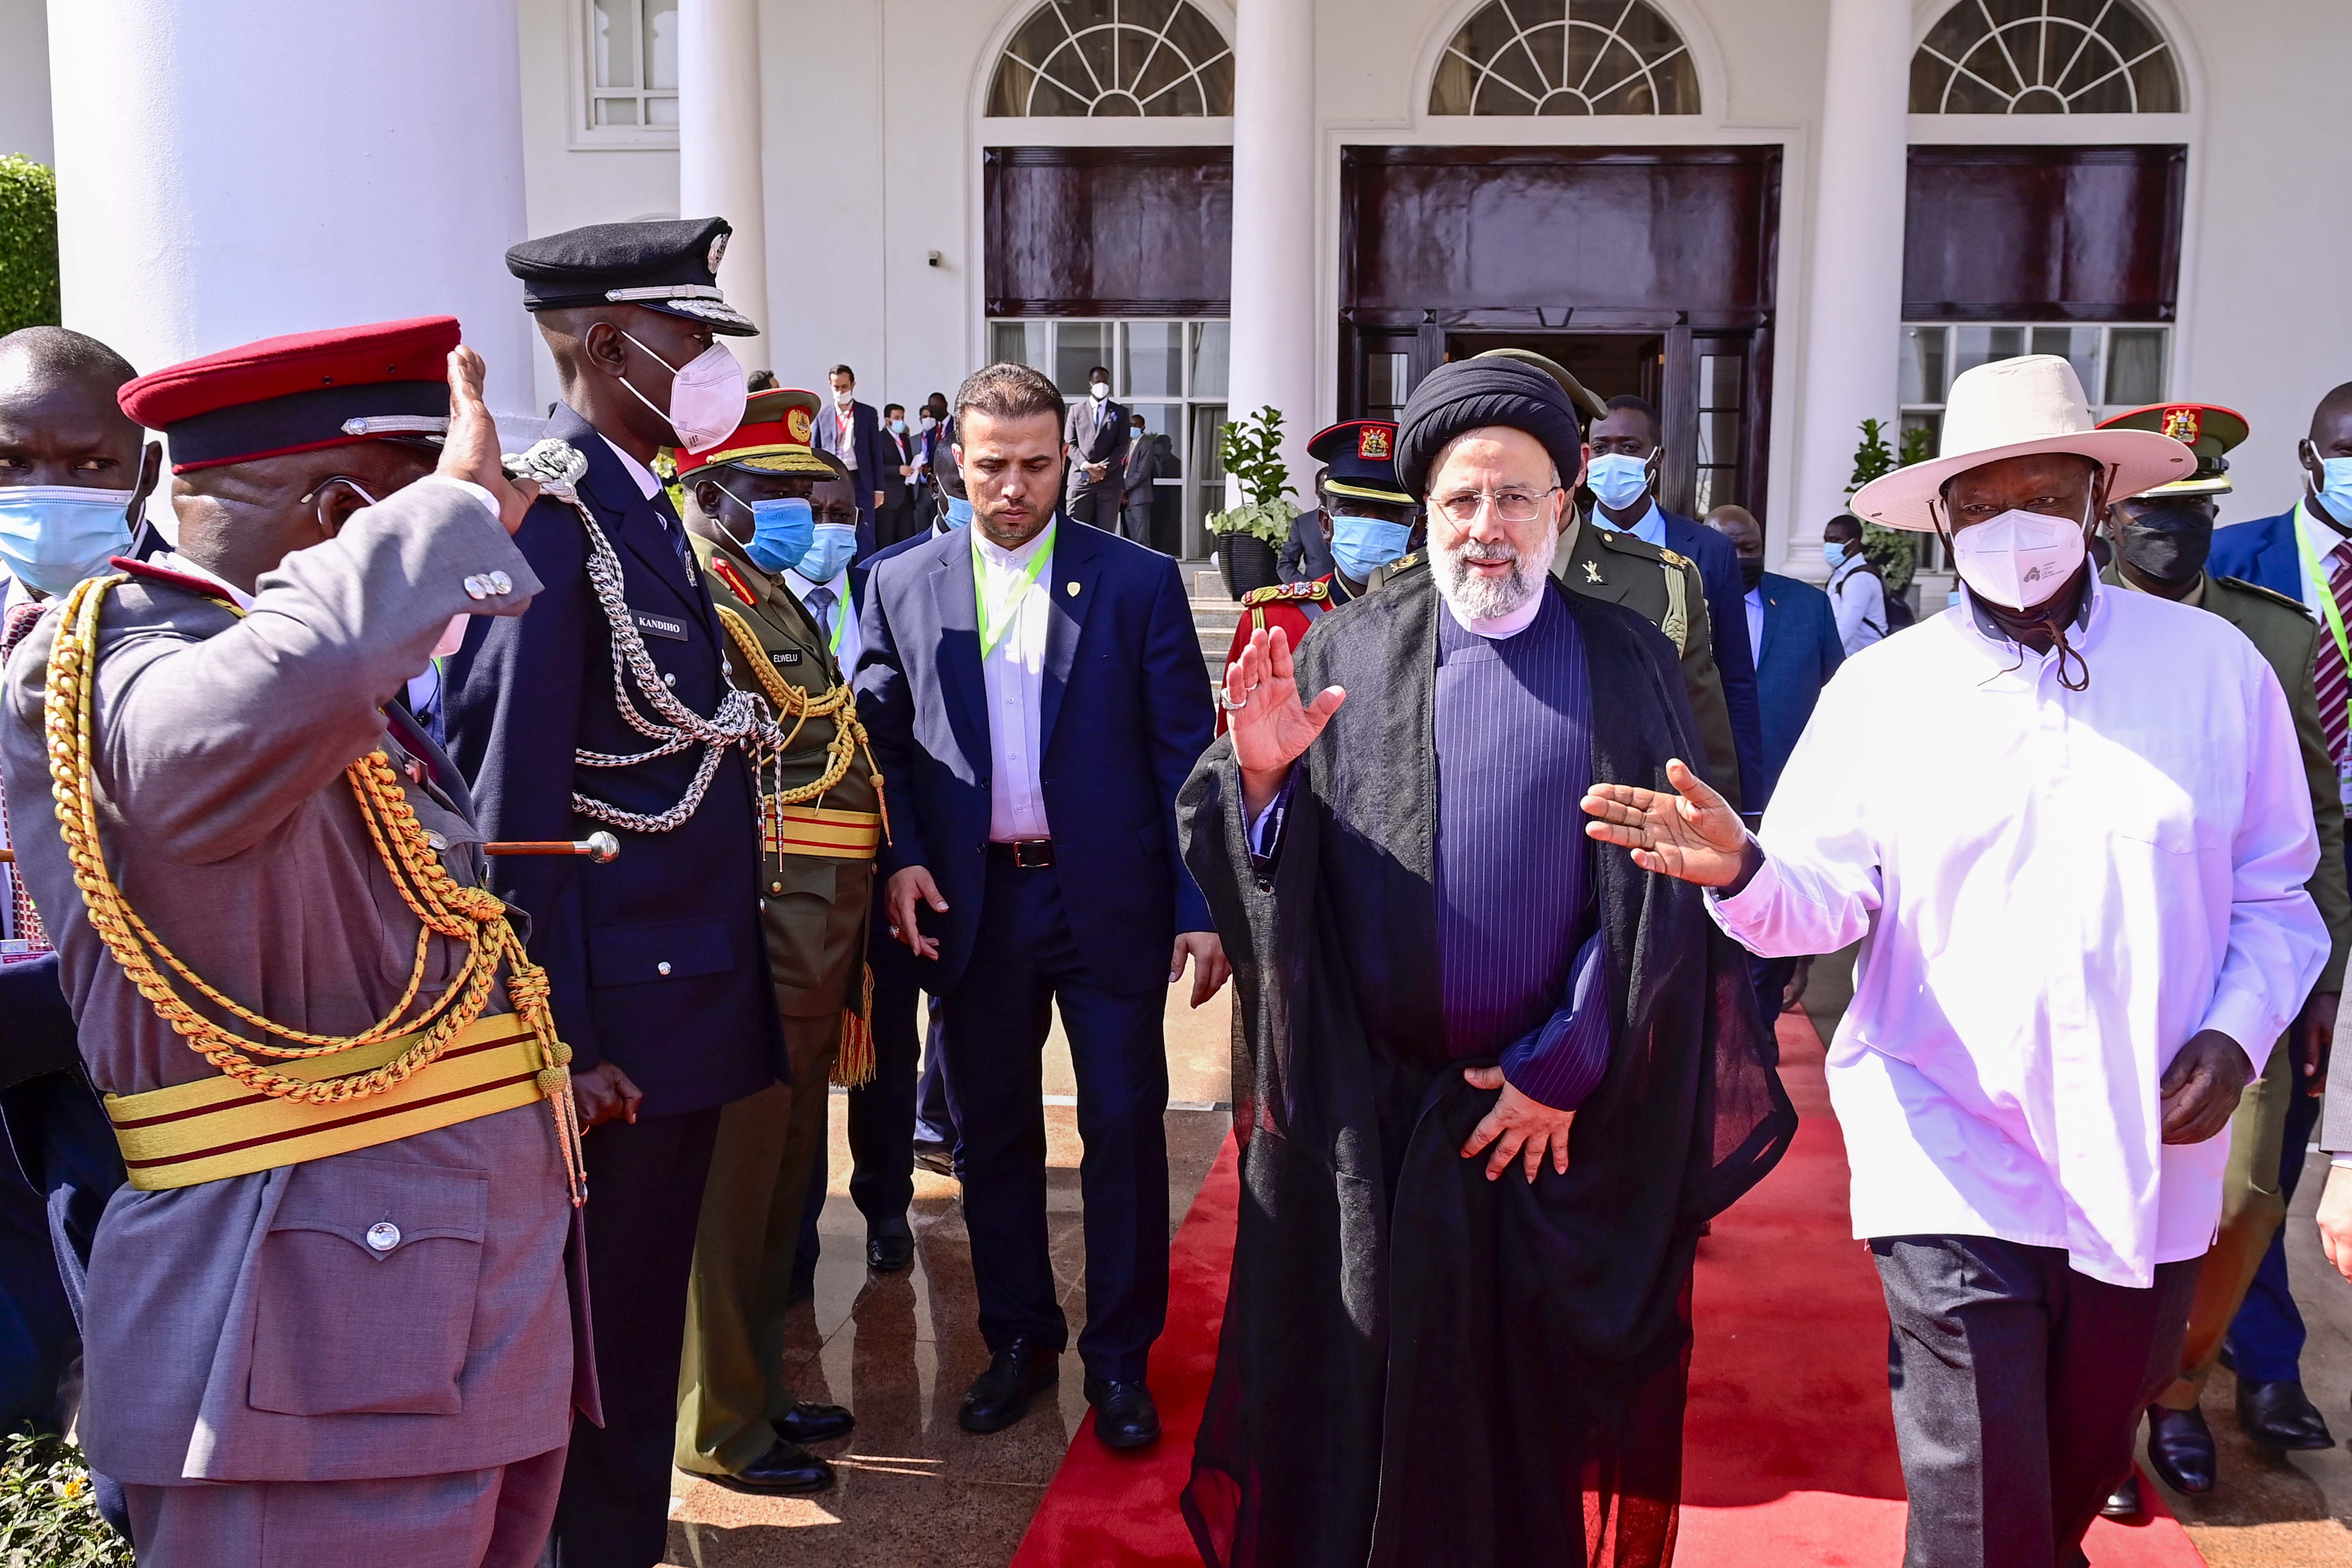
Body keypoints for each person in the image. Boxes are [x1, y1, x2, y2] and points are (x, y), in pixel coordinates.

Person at [1591, 354, 2311, 1568]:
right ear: (1940, 518)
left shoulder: (2216, 673)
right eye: (1980, 504)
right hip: (1950, 1146)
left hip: (2146, 1152)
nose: (2013, 528)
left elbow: (2277, 896)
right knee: (1977, 1499)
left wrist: (2236, 1035)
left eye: (2043, 497)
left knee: (2071, 1471)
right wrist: (1743, 869)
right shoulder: (1887, 691)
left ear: (2099, 500)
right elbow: (1818, 895)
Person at [1186, 355, 1793, 1567]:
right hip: (1377, 1123)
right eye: (1462, 499)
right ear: (1427, 511)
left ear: (1563, 506)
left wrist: (1562, 1065)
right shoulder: (1347, 650)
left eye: (1515, 497)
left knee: (1521, 1433)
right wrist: (1257, 783)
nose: (1487, 527)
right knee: (1366, 1417)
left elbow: (1655, 894)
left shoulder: (1628, 659)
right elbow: (1265, 873)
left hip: (1551, 1125)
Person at [2, 317, 580, 1568]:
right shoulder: (106, 655)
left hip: (440, 1316)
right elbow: (196, 758)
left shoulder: (281, 668)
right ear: (342, 515)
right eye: (428, 509)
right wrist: (431, 527)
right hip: (309, 1347)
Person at [445, 218, 784, 1568]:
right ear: (607, 345)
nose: (709, 363)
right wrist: (563, 1043)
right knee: (604, 1346)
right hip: (617, 1033)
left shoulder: (640, 507)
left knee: (638, 1331)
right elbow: (512, 813)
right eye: (688, 337)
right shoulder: (552, 519)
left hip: (677, 1000)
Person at [857, 362, 1224, 1450]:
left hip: (1106, 896)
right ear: (953, 463)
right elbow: (880, 746)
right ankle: (1018, 1339)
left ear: (1069, 460)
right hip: (972, 903)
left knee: (1122, 1124)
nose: (1012, 487)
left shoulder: (1136, 582)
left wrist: (1199, 901)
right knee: (993, 1133)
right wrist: (900, 859)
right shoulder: (895, 583)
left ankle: (1119, 1360)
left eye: (1033, 464)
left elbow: (1184, 754)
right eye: (990, 466)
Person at [2084, 400, 2351, 1516]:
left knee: (2245, 1197)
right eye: (2152, 510)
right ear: (2111, 516)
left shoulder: (2271, 636)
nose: (2173, 531)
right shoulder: (2061, 626)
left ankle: (2181, 1386)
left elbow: (2313, 821)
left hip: (2241, 974)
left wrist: (2323, 982)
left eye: (2194, 509)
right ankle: (2100, 1416)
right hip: (2102, 968)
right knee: (2099, 1202)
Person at [669, 389, 878, 1495]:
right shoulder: (703, 599)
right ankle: (716, 1419)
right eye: (777, 492)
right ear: (711, 494)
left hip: (818, 926)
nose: (802, 512)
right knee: (734, 1187)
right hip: (765, 918)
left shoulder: (769, 596)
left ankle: (756, 1389)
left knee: (784, 1180)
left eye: (811, 492)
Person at [0, 326, 157, 1477]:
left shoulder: (198, 621)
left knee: (126, 1312)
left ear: (143, 465)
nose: (48, 489)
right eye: (14, 462)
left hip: (133, 1035)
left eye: (89, 463)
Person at [2207, 379, 2352, 1447]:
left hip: (2335, 866)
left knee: (2310, 1117)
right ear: (2309, 458)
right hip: (2271, 873)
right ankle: (2262, 1362)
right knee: (2268, 1123)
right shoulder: (2231, 564)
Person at [1585, 392, 1763, 802]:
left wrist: (1747, 800)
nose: (1614, 459)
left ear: (1657, 457)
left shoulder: (1709, 550)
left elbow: (1735, 679)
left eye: (1630, 447)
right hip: (1589, 769)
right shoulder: (1559, 546)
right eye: (1601, 448)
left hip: (1683, 769)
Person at [1705, 501, 1840, 1020]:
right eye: (1727, 549)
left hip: (1788, 798)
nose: (1740, 558)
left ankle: (1762, 1030)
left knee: (1772, 953)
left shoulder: (1808, 607)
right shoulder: (1679, 601)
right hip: (1708, 798)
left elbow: (1838, 700)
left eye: (1750, 548)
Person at [1216, 420, 1418, 731]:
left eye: (1390, 512)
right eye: (1353, 509)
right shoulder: (1270, 622)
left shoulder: (1439, 620)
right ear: (1326, 524)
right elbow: (1230, 744)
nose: (1370, 524)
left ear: (1417, 530)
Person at [810, 363, 887, 561]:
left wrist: (879, 489)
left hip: (861, 480)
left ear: (853, 385)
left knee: (865, 532)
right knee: (834, 529)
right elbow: (815, 452)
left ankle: (866, 571)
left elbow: (876, 452)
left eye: (844, 387)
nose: (840, 392)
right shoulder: (823, 415)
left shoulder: (868, 414)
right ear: (830, 385)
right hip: (833, 481)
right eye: (836, 387)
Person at [1061, 365, 1128, 527]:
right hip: (1081, 479)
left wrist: (1103, 469)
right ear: (1090, 384)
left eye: (1105, 383)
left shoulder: (1120, 412)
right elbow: (1070, 442)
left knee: (1105, 532)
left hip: (1110, 483)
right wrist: (1087, 467)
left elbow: (1122, 445)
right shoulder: (1076, 411)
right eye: (1098, 382)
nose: (1102, 386)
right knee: (1076, 529)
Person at [1822, 513, 1888, 656]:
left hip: (1867, 660)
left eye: (1836, 540)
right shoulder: (1840, 575)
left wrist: (1822, 659)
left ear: (1854, 543)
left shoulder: (1860, 579)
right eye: (1827, 540)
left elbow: (1844, 632)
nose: (1829, 546)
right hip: (1851, 658)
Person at [1275, 467, 1334, 585]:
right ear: (1317, 492)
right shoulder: (1303, 523)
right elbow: (1286, 564)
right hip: (1314, 590)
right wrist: (1308, 587)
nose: (1328, 492)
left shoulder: (1354, 519)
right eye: (1324, 487)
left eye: (1332, 487)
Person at [876, 401, 917, 550]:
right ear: (888, 420)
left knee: (907, 540)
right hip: (889, 499)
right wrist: (898, 470)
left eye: (902, 417)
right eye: (897, 418)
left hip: (906, 496)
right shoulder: (879, 439)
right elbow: (877, 467)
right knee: (887, 540)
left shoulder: (905, 439)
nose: (901, 421)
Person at [1118, 410, 1158, 546]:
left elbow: (1142, 473)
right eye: (1131, 425)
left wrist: (1123, 489)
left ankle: (1146, 560)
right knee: (1130, 537)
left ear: (1143, 427)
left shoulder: (1146, 444)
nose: (1133, 428)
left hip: (1139, 497)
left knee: (1141, 536)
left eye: (1136, 425)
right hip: (1126, 499)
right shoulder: (1128, 443)